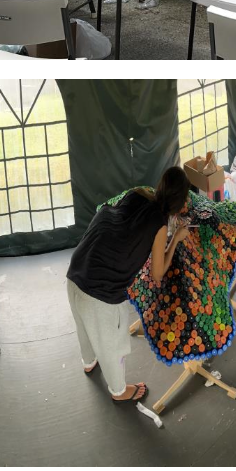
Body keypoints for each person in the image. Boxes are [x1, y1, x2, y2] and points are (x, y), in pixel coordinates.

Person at [66, 167, 194, 403]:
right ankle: (119, 391)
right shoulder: (160, 223)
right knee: (111, 344)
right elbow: (157, 274)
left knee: (83, 325)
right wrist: (175, 239)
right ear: (179, 201)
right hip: (99, 292)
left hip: (76, 269)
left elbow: (126, 226)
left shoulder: (138, 193)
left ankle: (88, 362)